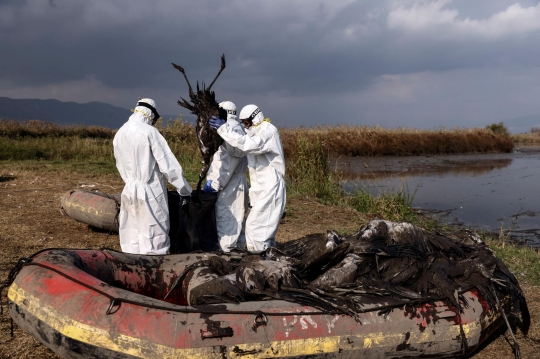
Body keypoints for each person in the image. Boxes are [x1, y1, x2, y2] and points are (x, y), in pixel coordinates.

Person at [113, 98, 192, 255]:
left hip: (129, 190)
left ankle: (133, 270)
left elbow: (119, 163)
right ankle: (155, 271)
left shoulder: (120, 132)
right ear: (151, 114)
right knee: (154, 235)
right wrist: (184, 190)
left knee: (131, 234)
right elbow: (168, 165)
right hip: (150, 191)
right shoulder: (150, 132)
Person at [209, 104, 286, 253]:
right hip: (260, 188)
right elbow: (240, 142)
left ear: (254, 118)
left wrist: (224, 128)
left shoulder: (269, 131)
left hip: (271, 187)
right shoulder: (255, 132)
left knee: (255, 230)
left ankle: (261, 264)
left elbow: (247, 145)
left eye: (246, 122)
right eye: (243, 122)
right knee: (263, 232)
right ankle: (269, 260)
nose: (245, 125)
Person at [203, 101, 249, 252]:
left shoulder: (230, 130)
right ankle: (238, 254)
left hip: (229, 185)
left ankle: (228, 257)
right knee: (238, 221)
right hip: (236, 182)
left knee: (227, 221)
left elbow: (227, 164)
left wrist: (215, 185)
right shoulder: (236, 128)